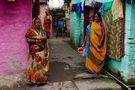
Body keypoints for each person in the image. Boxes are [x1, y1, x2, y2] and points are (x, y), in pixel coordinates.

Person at [25, 17, 49, 84]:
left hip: (42, 50)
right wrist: (36, 39)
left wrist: (39, 38)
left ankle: (41, 80)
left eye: (39, 22)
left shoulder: (42, 30)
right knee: (34, 66)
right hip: (34, 52)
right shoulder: (31, 30)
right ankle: (34, 80)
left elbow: (45, 37)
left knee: (41, 66)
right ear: (34, 23)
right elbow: (28, 39)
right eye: (37, 22)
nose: (38, 24)